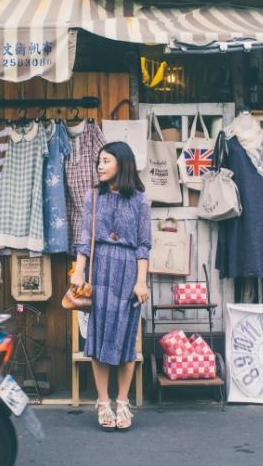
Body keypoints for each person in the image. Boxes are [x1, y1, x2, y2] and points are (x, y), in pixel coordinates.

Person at [70, 141, 151, 432]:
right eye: (99, 162)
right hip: (100, 268)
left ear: (122, 163)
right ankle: (103, 402)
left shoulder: (140, 199)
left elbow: (144, 245)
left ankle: (122, 401)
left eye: (106, 161)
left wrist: (141, 281)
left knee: (126, 339)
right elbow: (84, 238)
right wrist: (79, 271)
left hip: (128, 270)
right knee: (99, 335)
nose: (100, 166)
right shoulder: (94, 196)